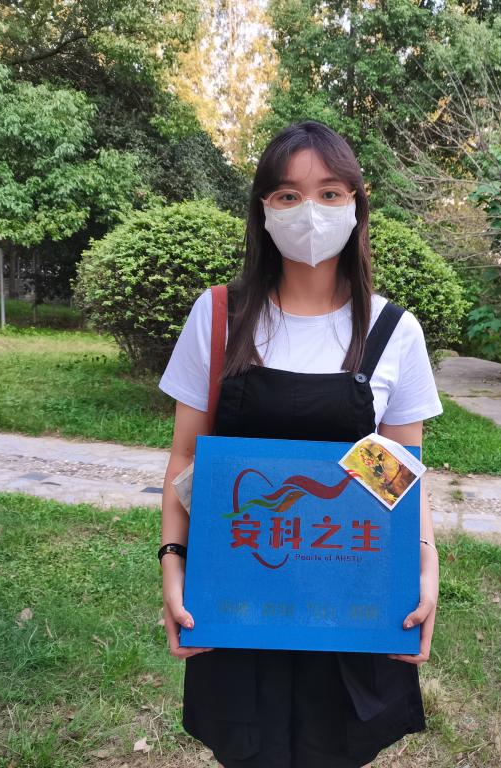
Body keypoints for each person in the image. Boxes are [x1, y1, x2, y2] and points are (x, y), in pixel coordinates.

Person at [156, 119, 442, 768]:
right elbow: (187, 458)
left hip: (350, 596)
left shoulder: (393, 332)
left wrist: (425, 566)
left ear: (356, 205)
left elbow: (397, 472)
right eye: (288, 195)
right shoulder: (219, 316)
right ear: (263, 210)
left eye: (330, 193)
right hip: (239, 596)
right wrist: (173, 562)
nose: (309, 211)